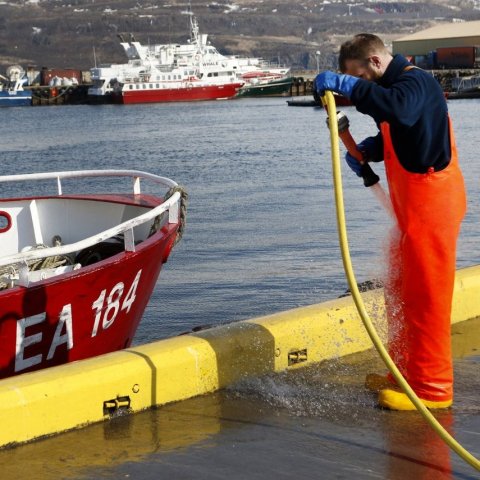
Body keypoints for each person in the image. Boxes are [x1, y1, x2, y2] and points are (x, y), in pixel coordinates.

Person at [314, 34, 466, 410]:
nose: (358, 84)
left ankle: (432, 389)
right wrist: (369, 150)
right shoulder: (398, 88)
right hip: (413, 208)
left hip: (434, 205)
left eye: (358, 76)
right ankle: (404, 373)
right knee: (399, 290)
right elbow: (404, 131)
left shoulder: (415, 82)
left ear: (374, 64)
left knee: (426, 297)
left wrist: (345, 86)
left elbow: (400, 111)